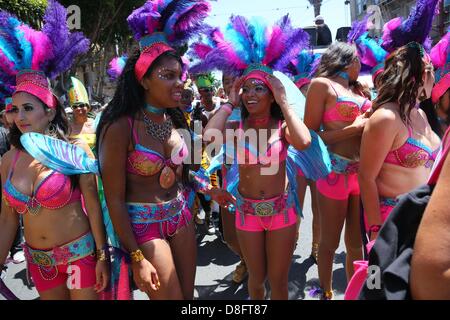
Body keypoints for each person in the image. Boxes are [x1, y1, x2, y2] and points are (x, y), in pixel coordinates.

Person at [96, 0, 213, 299]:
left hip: (182, 218)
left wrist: (213, 191)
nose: (180, 83)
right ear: (144, 80)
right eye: (168, 76)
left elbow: (187, 173)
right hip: (144, 229)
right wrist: (136, 258)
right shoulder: (120, 127)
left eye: (180, 75)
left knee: (188, 299)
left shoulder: (176, 117)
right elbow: (115, 200)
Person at [0, 1, 109, 300]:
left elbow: (94, 206)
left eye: (29, 109)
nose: (21, 116)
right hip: (40, 262)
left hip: (79, 256)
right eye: (16, 109)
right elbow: (8, 217)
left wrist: (103, 255)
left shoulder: (72, 153)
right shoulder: (9, 160)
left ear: (49, 113)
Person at [203, 14, 311, 300]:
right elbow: (207, 138)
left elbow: (304, 140)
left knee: (278, 283)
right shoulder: (234, 127)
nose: (251, 94)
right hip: (246, 212)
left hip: (282, 213)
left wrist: (284, 100)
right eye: (247, 88)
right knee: (256, 284)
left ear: (272, 93)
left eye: (259, 88)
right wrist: (230, 101)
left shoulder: (283, 127)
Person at [304, 41, 370, 299]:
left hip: (359, 174)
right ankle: (326, 292)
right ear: (348, 61)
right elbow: (310, 136)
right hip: (333, 174)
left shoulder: (357, 90)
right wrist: (354, 128)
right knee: (330, 243)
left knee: (356, 244)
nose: (361, 65)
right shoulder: (321, 85)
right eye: (358, 60)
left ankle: (354, 293)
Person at [359, 42, 441, 240]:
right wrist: (376, 232)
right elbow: (366, 178)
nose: (435, 79)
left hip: (427, 221)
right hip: (394, 225)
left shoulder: (420, 113)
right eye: (433, 73)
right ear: (423, 75)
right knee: (381, 273)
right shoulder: (386, 118)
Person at [67, 77, 96, 150]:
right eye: (75, 106)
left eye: (82, 105)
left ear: (88, 108)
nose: (79, 108)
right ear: (72, 109)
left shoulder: (96, 124)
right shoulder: (67, 127)